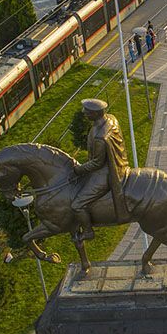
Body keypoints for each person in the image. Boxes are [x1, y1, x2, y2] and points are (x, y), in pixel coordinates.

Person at [70, 99, 131, 241]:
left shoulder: (100, 137)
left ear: (96, 113)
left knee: (77, 204)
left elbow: (97, 163)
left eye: (87, 111)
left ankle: (88, 232)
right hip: (117, 164)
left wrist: (78, 170)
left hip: (104, 173)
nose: (84, 113)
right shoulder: (111, 119)